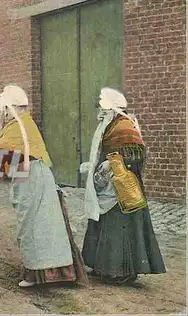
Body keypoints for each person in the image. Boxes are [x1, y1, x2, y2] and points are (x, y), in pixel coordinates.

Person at [0, 84, 87, 287]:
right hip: (35, 175)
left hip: (31, 177)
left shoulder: (17, 127)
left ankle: (35, 275)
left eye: (2, 110)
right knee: (43, 225)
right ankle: (50, 272)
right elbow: (2, 143)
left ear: (8, 108)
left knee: (31, 225)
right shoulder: (22, 123)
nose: (1, 114)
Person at [80, 87, 166, 285]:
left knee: (120, 226)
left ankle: (121, 271)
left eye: (103, 107)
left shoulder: (124, 125)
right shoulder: (110, 124)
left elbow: (136, 154)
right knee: (103, 222)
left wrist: (111, 163)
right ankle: (103, 266)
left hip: (122, 186)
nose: (100, 111)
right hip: (109, 183)